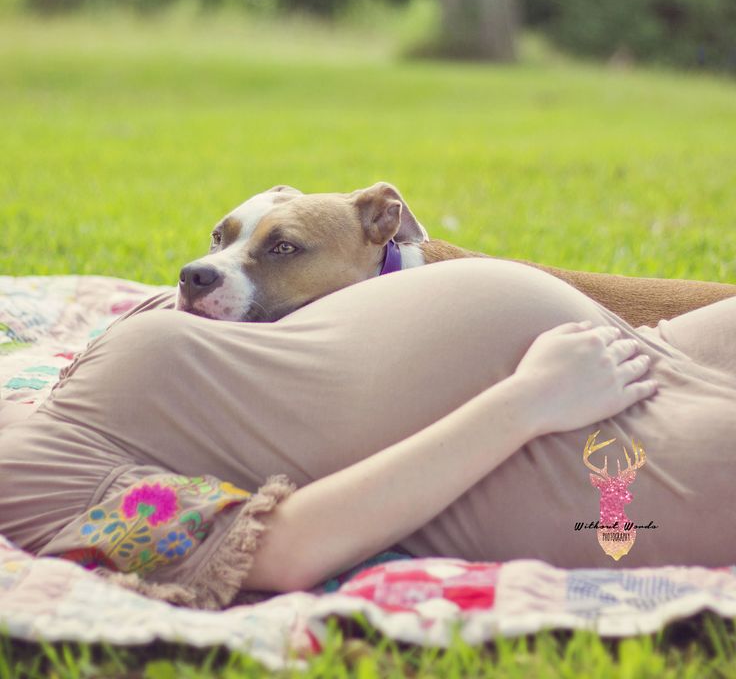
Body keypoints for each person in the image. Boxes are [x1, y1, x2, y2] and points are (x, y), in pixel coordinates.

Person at [0, 258, 734, 609]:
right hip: (581, 456)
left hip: (628, 350)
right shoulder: (19, 471)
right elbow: (288, 549)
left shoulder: (28, 394)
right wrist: (528, 401)